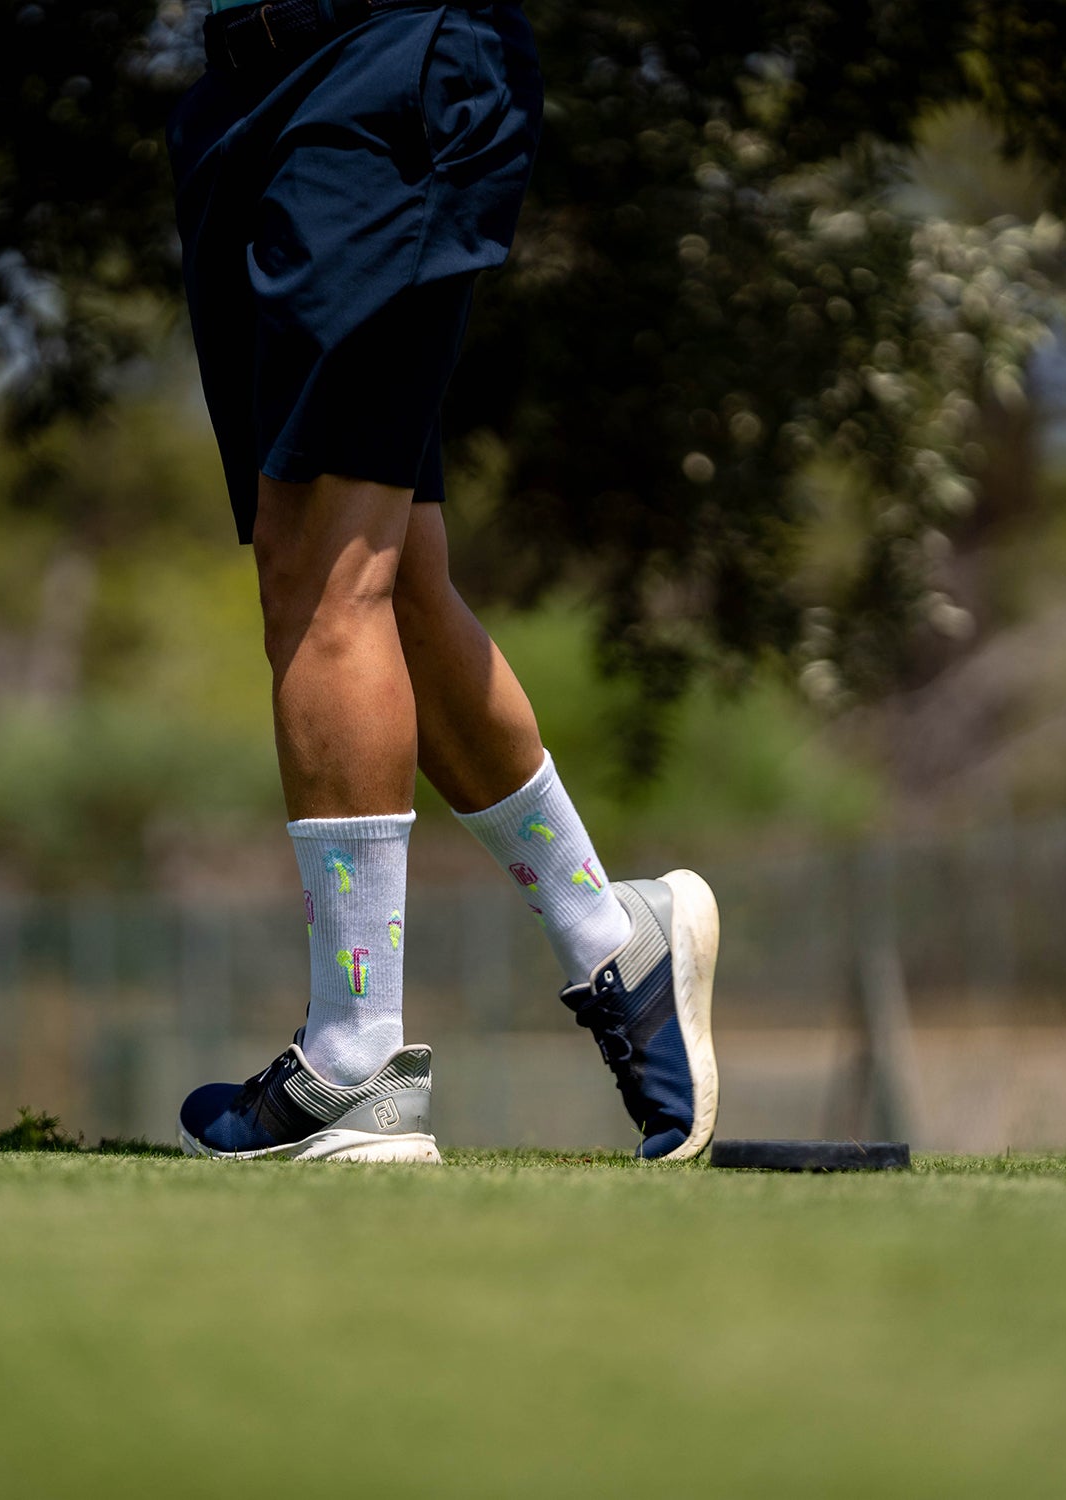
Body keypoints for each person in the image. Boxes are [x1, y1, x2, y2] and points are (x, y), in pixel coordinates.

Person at [166, 0, 719, 1161]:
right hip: (239, 86)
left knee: (330, 576)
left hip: (384, 60)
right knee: (355, 573)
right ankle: (610, 935)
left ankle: (359, 1059)